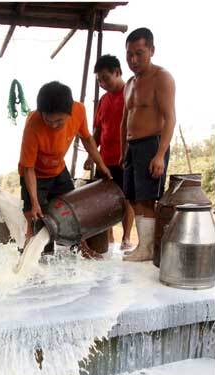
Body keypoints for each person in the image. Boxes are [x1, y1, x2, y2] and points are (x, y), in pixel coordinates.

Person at [18, 81, 113, 257]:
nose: (53, 125)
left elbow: (87, 139)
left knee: (72, 210)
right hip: (35, 175)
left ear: (69, 113)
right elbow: (28, 168)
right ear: (41, 114)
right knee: (38, 216)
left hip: (58, 170)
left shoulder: (78, 110)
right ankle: (39, 255)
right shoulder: (33, 124)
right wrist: (35, 202)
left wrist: (101, 164)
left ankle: (81, 249)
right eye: (49, 120)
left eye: (59, 121)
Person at [120, 28, 176, 262]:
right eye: (129, 54)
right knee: (132, 197)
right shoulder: (129, 83)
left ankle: (148, 248)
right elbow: (125, 120)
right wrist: (125, 151)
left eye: (139, 53)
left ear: (152, 50)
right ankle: (143, 246)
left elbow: (170, 117)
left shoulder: (161, 77)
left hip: (152, 144)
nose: (133, 60)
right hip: (132, 148)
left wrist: (160, 154)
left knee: (146, 198)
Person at [84, 54, 135, 251]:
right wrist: (91, 155)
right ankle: (109, 237)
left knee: (127, 198)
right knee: (103, 202)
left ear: (118, 72)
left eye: (106, 78)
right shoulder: (103, 101)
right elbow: (97, 132)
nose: (103, 83)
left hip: (126, 159)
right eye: (99, 80)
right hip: (104, 161)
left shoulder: (131, 93)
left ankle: (127, 238)